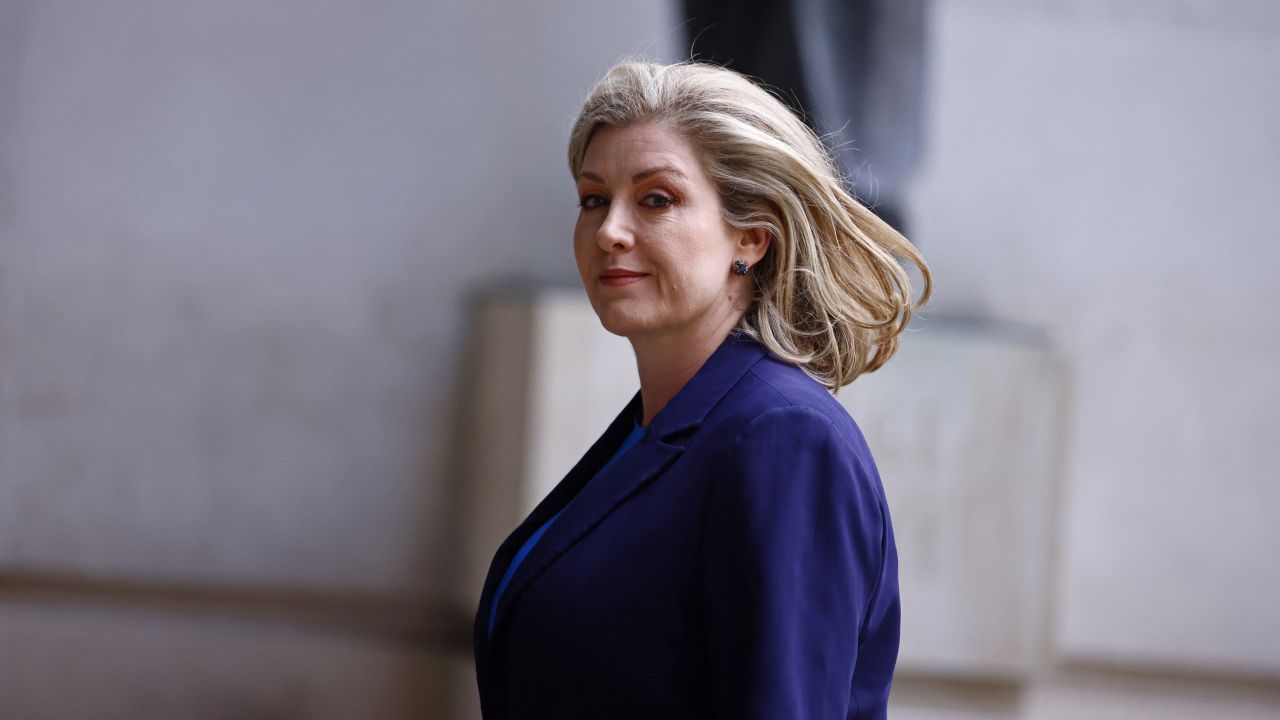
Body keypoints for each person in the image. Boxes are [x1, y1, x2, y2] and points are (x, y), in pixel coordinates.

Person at [473, 60, 930, 720]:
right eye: (594, 199)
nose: (609, 232)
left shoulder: (782, 439)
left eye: (656, 199)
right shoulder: (660, 427)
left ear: (750, 236)